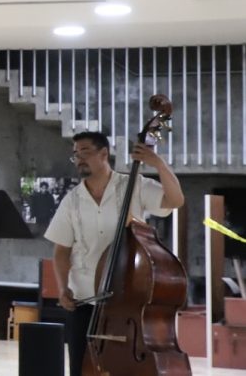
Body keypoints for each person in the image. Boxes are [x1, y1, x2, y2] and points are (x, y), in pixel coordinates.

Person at [44, 131, 184, 376]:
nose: (79, 159)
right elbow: (61, 250)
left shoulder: (134, 185)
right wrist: (63, 288)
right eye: (75, 154)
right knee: (80, 369)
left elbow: (175, 200)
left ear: (103, 154)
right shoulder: (71, 200)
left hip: (126, 301)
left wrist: (158, 164)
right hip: (84, 301)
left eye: (84, 152)